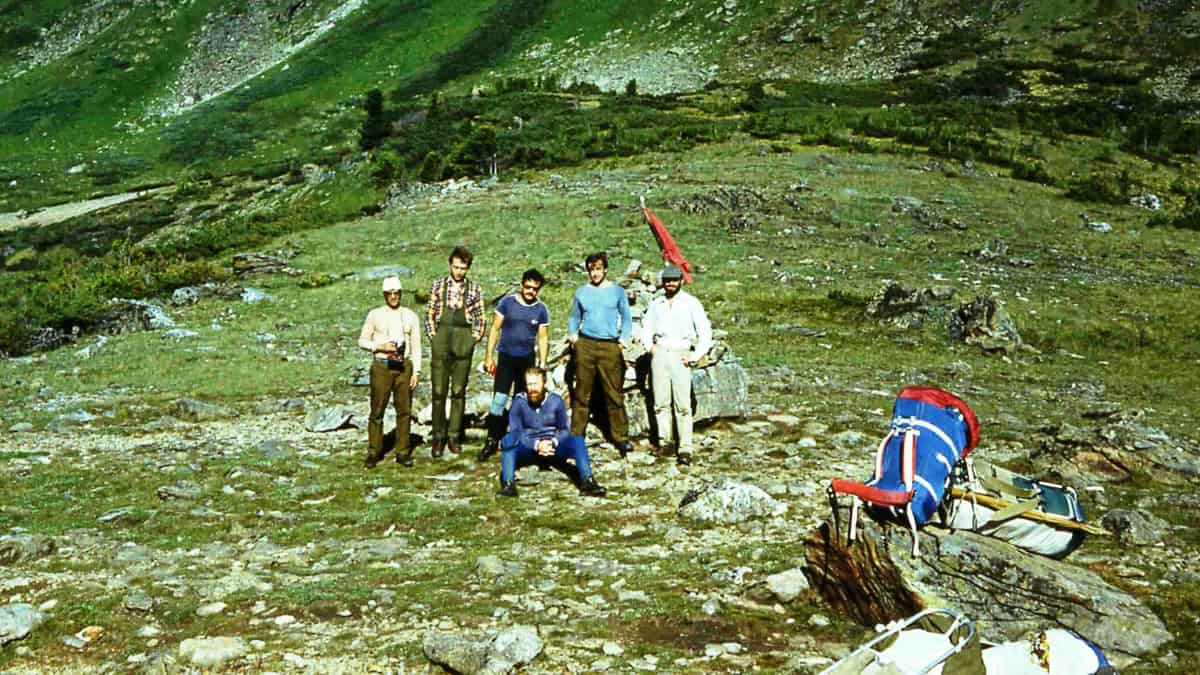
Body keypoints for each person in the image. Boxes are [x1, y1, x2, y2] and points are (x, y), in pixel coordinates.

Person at [641, 265, 713, 466]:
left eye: (674, 280)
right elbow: (646, 328)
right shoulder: (657, 304)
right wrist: (650, 348)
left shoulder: (691, 303)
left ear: (681, 280)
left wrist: (694, 355)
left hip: (681, 353)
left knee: (683, 405)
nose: (671, 284)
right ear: (663, 283)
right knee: (661, 403)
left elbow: (705, 333)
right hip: (661, 353)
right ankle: (665, 442)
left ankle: (685, 448)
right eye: (667, 280)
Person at [498, 367, 606, 498]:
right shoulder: (519, 402)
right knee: (508, 440)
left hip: (553, 447)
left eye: (536, 384)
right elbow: (516, 431)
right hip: (529, 448)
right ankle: (508, 485)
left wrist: (552, 442)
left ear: (544, 383)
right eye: (529, 384)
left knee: (577, 439)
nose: (532, 388)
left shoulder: (556, 401)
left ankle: (588, 482)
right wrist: (536, 444)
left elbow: (565, 429)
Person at [567, 251, 634, 457]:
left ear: (605, 269)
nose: (595, 273)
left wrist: (623, 340)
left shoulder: (617, 291)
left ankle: (620, 437)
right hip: (585, 344)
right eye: (591, 270)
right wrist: (573, 336)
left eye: (598, 269)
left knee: (613, 392)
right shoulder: (582, 292)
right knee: (582, 392)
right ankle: (576, 434)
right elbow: (574, 317)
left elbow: (627, 317)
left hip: (609, 346)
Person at [479, 269, 549, 462]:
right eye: (528, 287)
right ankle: (492, 439)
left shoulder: (541, 309)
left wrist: (542, 363)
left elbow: (543, 337)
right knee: (499, 401)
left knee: (520, 401)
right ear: (522, 284)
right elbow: (494, 329)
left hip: (526, 360)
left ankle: (517, 440)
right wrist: (488, 357)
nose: (530, 292)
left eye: (535, 289)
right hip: (506, 358)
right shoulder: (507, 303)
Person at [425, 246, 486, 456]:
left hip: (463, 343)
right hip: (441, 342)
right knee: (438, 392)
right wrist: (433, 337)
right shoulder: (438, 286)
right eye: (456, 267)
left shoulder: (474, 289)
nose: (459, 271)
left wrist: (473, 338)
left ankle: (453, 436)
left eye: (463, 268)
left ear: (468, 268)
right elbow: (430, 313)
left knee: (458, 392)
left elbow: (480, 317)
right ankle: (438, 438)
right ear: (450, 264)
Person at [358, 276, 422, 467]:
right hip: (382, 366)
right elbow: (362, 341)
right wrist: (380, 346)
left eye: (397, 293)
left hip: (404, 367)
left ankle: (403, 451)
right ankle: (374, 451)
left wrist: (416, 372)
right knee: (377, 410)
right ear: (385, 295)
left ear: (401, 293)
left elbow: (417, 347)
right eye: (390, 294)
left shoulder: (410, 316)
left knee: (404, 410)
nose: (394, 297)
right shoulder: (374, 315)